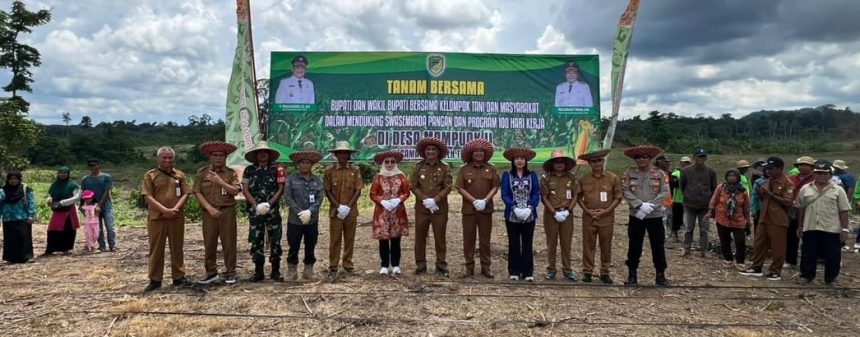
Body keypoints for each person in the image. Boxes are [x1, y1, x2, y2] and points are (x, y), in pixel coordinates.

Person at [142, 147, 192, 292]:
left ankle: (179, 276)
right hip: (157, 218)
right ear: (158, 159)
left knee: (177, 247)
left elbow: (186, 193)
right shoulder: (150, 176)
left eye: (170, 157)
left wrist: (175, 209)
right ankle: (155, 279)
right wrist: (164, 210)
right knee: (156, 249)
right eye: (164, 157)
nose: (167, 160)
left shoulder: (180, 175)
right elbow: (148, 196)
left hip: (176, 217)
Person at [795, 160, 852, 286]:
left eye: (824, 173)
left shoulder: (838, 190)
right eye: (818, 173)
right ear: (814, 173)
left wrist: (844, 229)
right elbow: (801, 208)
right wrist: (800, 226)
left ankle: (831, 279)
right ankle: (807, 276)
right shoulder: (805, 189)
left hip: (831, 227)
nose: (821, 176)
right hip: (810, 226)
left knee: (832, 254)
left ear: (830, 174)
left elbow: (844, 210)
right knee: (809, 252)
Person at [193, 141, 242, 285]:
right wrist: (209, 208)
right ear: (210, 157)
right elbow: (197, 191)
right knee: (209, 242)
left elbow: (235, 191)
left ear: (226, 157)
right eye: (215, 155)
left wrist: (220, 181)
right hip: (209, 212)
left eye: (221, 155)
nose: (218, 158)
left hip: (227, 211)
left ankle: (230, 272)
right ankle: (211, 272)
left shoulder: (231, 173)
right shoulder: (202, 173)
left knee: (229, 243)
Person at [621, 145, 670, 287]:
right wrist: (639, 205)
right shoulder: (629, 172)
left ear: (650, 159)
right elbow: (625, 190)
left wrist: (651, 206)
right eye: (638, 157)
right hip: (636, 215)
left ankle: (660, 275)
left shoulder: (659, 174)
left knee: (658, 245)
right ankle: (632, 274)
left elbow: (664, 192)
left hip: (655, 215)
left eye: (645, 157)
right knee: (634, 245)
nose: (641, 159)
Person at [740, 157, 794, 281]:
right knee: (759, 243)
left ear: (780, 169)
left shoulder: (787, 183)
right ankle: (756, 267)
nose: (768, 171)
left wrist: (771, 195)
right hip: (764, 216)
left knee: (777, 246)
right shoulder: (768, 181)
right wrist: (762, 193)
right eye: (767, 169)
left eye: (771, 169)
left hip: (778, 219)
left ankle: (775, 271)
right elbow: (762, 195)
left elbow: (788, 202)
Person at [576, 148, 623, 284]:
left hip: (606, 218)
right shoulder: (583, 179)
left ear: (603, 161)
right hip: (589, 217)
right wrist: (587, 211)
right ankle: (588, 272)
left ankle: (605, 271)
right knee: (588, 245)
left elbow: (617, 198)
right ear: (589, 163)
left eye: (599, 160)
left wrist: (605, 211)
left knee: (606, 245)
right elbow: (578, 197)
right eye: (593, 161)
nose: (597, 163)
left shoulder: (612, 177)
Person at [241, 141, 286, 282]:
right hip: (255, 212)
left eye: (265, 152)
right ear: (255, 155)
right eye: (259, 152)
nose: (262, 154)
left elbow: (281, 188)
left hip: (272, 211)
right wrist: (255, 205)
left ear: (269, 154)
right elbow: (245, 189)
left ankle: (275, 271)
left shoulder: (277, 169)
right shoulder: (249, 169)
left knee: (275, 240)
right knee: (256, 240)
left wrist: (269, 204)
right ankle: (258, 271)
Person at [456, 139, 500, 278]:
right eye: (476, 151)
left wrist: (486, 200)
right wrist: (474, 201)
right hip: (469, 210)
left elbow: (495, 186)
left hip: (486, 210)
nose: (479, 153)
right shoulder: (465, 169)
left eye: (481, 151)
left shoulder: (491, 168)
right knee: (468, 239)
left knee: (485, 240)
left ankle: (485, 267)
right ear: (471, 154)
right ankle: (469, 267)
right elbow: (460, 188)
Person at [410, 137, 453, 276]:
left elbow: (447, 187)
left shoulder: (444, 167)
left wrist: (435, 199)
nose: (430, 151)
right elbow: (413, 186)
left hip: (439, 209)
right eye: (428, 149)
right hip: (422, 208)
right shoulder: (418, 166)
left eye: (433, 149)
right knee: (420, 237)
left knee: (440, 237)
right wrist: (424, 199)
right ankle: (421, 264)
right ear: (424, 151)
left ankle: (441, 264)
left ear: (438, 152)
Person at [323, 140, 364, 278]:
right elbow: (327, 191)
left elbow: (358, 190)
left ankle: (348, 264)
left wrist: (348, 206)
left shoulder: (355, 170)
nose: (342, 155)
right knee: (335, 239)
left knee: (349, 238)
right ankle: (333, 266)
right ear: (335, 155)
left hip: (351, 211)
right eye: (339, 153)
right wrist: (338, 206)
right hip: (336, 211)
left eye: (345, 153)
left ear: (349, 155)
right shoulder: (329, 171)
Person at [501, 147, 541, 282]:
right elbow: (505, 194)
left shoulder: (532, 175)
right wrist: (514, 208)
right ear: (513, 160)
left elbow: (536, 193)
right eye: (517, 158)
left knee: (527, 243)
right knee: (513, 243)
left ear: (526, 161)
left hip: (529, 215)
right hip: (512, 215)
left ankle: (528, 271)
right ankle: (514, 271)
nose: (519, 161)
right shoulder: (507, 175)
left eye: (522, 158)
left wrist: (530, 207)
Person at [284, 151, 324, 281]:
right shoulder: (291, 179)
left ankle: (308, 270)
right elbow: (288, 198)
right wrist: (299, 212)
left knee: (310, 244)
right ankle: (292, 270)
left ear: (311, 165)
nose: (305, 165)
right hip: (295, 220)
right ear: (298, 164)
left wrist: (310, 211)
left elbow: (319, 198)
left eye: (308, 163)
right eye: (302, 163)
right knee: (293, 245)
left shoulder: (317, 179)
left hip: (312, 220)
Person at [369, 151, 411, 276]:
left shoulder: (401, 176)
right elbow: (372, 193)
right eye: (387, 162)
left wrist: (399, 199)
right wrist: (382, 201)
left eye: (392, 161)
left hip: (397, 212)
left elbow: (407, 192)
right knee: (383, 240)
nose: (390, 164)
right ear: (383, 163)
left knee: (396, 239)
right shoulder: (378, 177)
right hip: (382, 212)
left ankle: (396, 265)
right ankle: (384, 265)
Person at [539, 150, 578, 281]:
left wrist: (568, 211)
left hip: (567, 213)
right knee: (551, 242)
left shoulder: (571, 178)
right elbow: (544, 197)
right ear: (552, 164)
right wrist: (554, 213)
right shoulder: (546, 178)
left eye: (562, 162)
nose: (560, 164)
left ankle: (567, 270)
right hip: (551, 214)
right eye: (557, 162)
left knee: (566, 242)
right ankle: (551, 269)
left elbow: (575, 196)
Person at [708, 169, 751, 269]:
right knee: (724, 240)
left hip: (738, 219)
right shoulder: (721, 187)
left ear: (738, 178)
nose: (731, 178)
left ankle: (740, 261)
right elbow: (714, 200)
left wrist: (748, 220)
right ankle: (728, 259)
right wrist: (710, 212)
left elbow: (746, 206)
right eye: (729, 176)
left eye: (734, 176)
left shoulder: (742, 190)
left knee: (740, 240)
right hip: (722, 219)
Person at [680, 149, 717, 257]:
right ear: (694, 157)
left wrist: (711, 204)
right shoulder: (686, 171)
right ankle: (686, 248)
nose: (701, 159)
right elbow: (682, 186)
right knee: (688, 228)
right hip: (689, 204)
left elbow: (714, 188)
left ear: (706, 158)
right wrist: (688, 195)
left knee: (704, 229)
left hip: (705, 205)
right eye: (699, 156)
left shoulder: (711, 171)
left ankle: (704, 250)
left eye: (703, 157)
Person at [80, 158, 116, 252]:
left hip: (105, 205)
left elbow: (107, 192)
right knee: (97, 228)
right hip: (92, 208)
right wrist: (82, 206)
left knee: (110, 227)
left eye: (95, 165)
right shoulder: (85, 179)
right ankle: (102, 246)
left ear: (99, 166)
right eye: (91, 166)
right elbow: (84, 193)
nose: (93, 167)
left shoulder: (106, 177)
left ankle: (112, 245)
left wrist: (99, 205)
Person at [1, 171, 36, 264]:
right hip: (8, 218)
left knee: (24, 237)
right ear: (7, 180)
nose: (13, 181)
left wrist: (31, 215)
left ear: (19, 179)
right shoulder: (2, 190)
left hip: (22, 217)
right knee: (9, 239)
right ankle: (11, 258)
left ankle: (27, 257)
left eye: (15, 179)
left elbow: (31, 203)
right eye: (11, 179)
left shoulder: (26, 189)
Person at [44, 166, 81, 256]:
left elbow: (76, 197)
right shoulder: (55, 184)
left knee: (67, 229)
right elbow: (50, 194)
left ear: (68, 174)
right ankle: (51, 249)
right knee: (53, 229)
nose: (62, 175)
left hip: (68, 210)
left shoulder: (73, 185)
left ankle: (66, 248)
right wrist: (49, 200)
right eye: (60, 173)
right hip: (57, 210)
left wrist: (63, 202)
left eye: (64, 173)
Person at [787, 156, 815, 268]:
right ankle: (790, 260)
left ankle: (807, 263)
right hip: (793, 210)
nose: (803, 167)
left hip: (809, 209)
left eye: (806, 165)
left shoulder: (815, 179)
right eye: (801, 165)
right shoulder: (792, 178)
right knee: (791, 235)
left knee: (808, 237)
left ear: (812, 167)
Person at [669, 157, 691, 242]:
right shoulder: (676, 173)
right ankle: (675, 235)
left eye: (687, 163)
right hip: (677, 199)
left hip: (689, 200)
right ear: (681, 163)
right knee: (676, 218)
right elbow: (673, 184)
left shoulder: (692, 173)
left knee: (687, 219)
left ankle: (687, 237)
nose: (685, 164)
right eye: (684, 162)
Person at [654, 156, 673, 236]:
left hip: (668, 200)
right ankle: (661, 235)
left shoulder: (668, 173)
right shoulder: (655, 173)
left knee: (667, 218)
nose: (668, 164)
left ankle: (664, 234)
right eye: (666, 162)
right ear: (660, 163)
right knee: (661, 219)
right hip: (659, 201)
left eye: (668, 162)